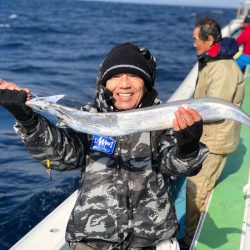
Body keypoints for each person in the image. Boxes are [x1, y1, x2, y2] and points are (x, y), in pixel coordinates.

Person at [0, 43, 209, 250]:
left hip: (152, 241)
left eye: (134, 76)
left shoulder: (161, 121)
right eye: (116, 76)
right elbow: (61, 158)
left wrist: (188, 146)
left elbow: (177, 167)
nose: (125, 84)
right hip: (92, 241)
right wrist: (27, 119)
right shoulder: (88, 118)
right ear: (104, 82)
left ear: (145, 83)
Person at [178, 19, 245, 250]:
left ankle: (189, 240)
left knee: (196, 188)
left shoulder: (224, 69)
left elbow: (215, 109)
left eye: (196, 39)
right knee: (203, 185)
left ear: (209, 40)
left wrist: (182, 119)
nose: (193, 43)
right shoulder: (212, 60)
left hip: (214, 141)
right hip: (211, 137)